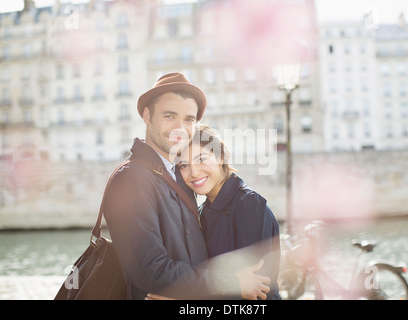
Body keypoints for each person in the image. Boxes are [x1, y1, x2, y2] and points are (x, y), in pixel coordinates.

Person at [103, 72, 271, 300]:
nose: (180, 128)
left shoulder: (176, 177)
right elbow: (150, 269)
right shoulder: (132, 179)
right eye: (170, 116)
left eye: (189, 119)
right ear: (147, 116)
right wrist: (228, 282)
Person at [177, 124, 282, 300]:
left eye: (201, 159)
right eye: (183, 166)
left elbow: (254, 290)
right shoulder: (203, 211)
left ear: (221, 157)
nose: (194, 172)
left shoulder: (248, 204)